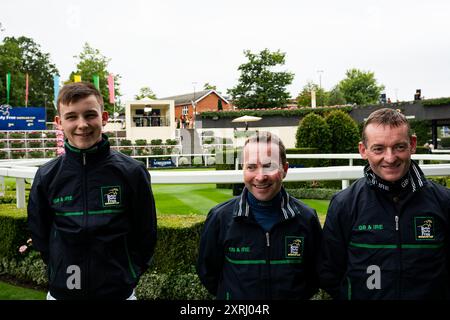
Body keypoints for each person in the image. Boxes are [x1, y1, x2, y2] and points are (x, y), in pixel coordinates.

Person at [27, 82, 157, 300]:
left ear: (104, 117)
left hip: (118, 293)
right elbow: (40, 235)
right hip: (63, 293)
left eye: (90, 115)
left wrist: (129, 273)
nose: (82, 124)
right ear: (59, 122)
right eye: (71, 117)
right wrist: (58, 268)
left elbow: (146, 233)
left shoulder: (132, 172)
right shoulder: (46, 175)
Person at [319, 108, 450, 300]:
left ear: (412, 145)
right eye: (379, 148)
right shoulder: (344, 204)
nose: (390, 158)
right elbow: (329, 272)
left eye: (399, 147)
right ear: (363, 150)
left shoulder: (444, 201)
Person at [197, 131, 322, 300]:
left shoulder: (306, 218)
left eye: (269, 166)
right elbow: (208, 274)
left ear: (284, 169)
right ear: (243, 169)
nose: (260, 176)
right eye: (251, 167)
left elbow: (315, 277)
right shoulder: (220, 218)